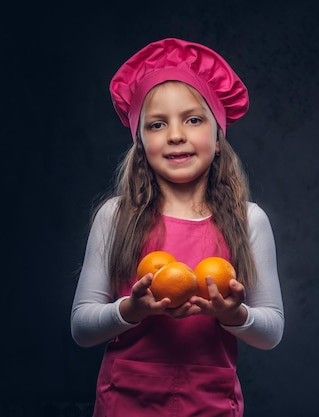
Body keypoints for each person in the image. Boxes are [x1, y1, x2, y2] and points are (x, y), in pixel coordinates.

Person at [70, 37, 284, 417]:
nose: (175, 135)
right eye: (156, 124)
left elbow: (271, 332)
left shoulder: (249, 219)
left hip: (211, 404)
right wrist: (130, 310)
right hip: (125, 402)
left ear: (218, 138)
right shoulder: (115, 215)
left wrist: (235, 316)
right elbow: (82, 327)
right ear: (141, 145)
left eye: (193, 119)